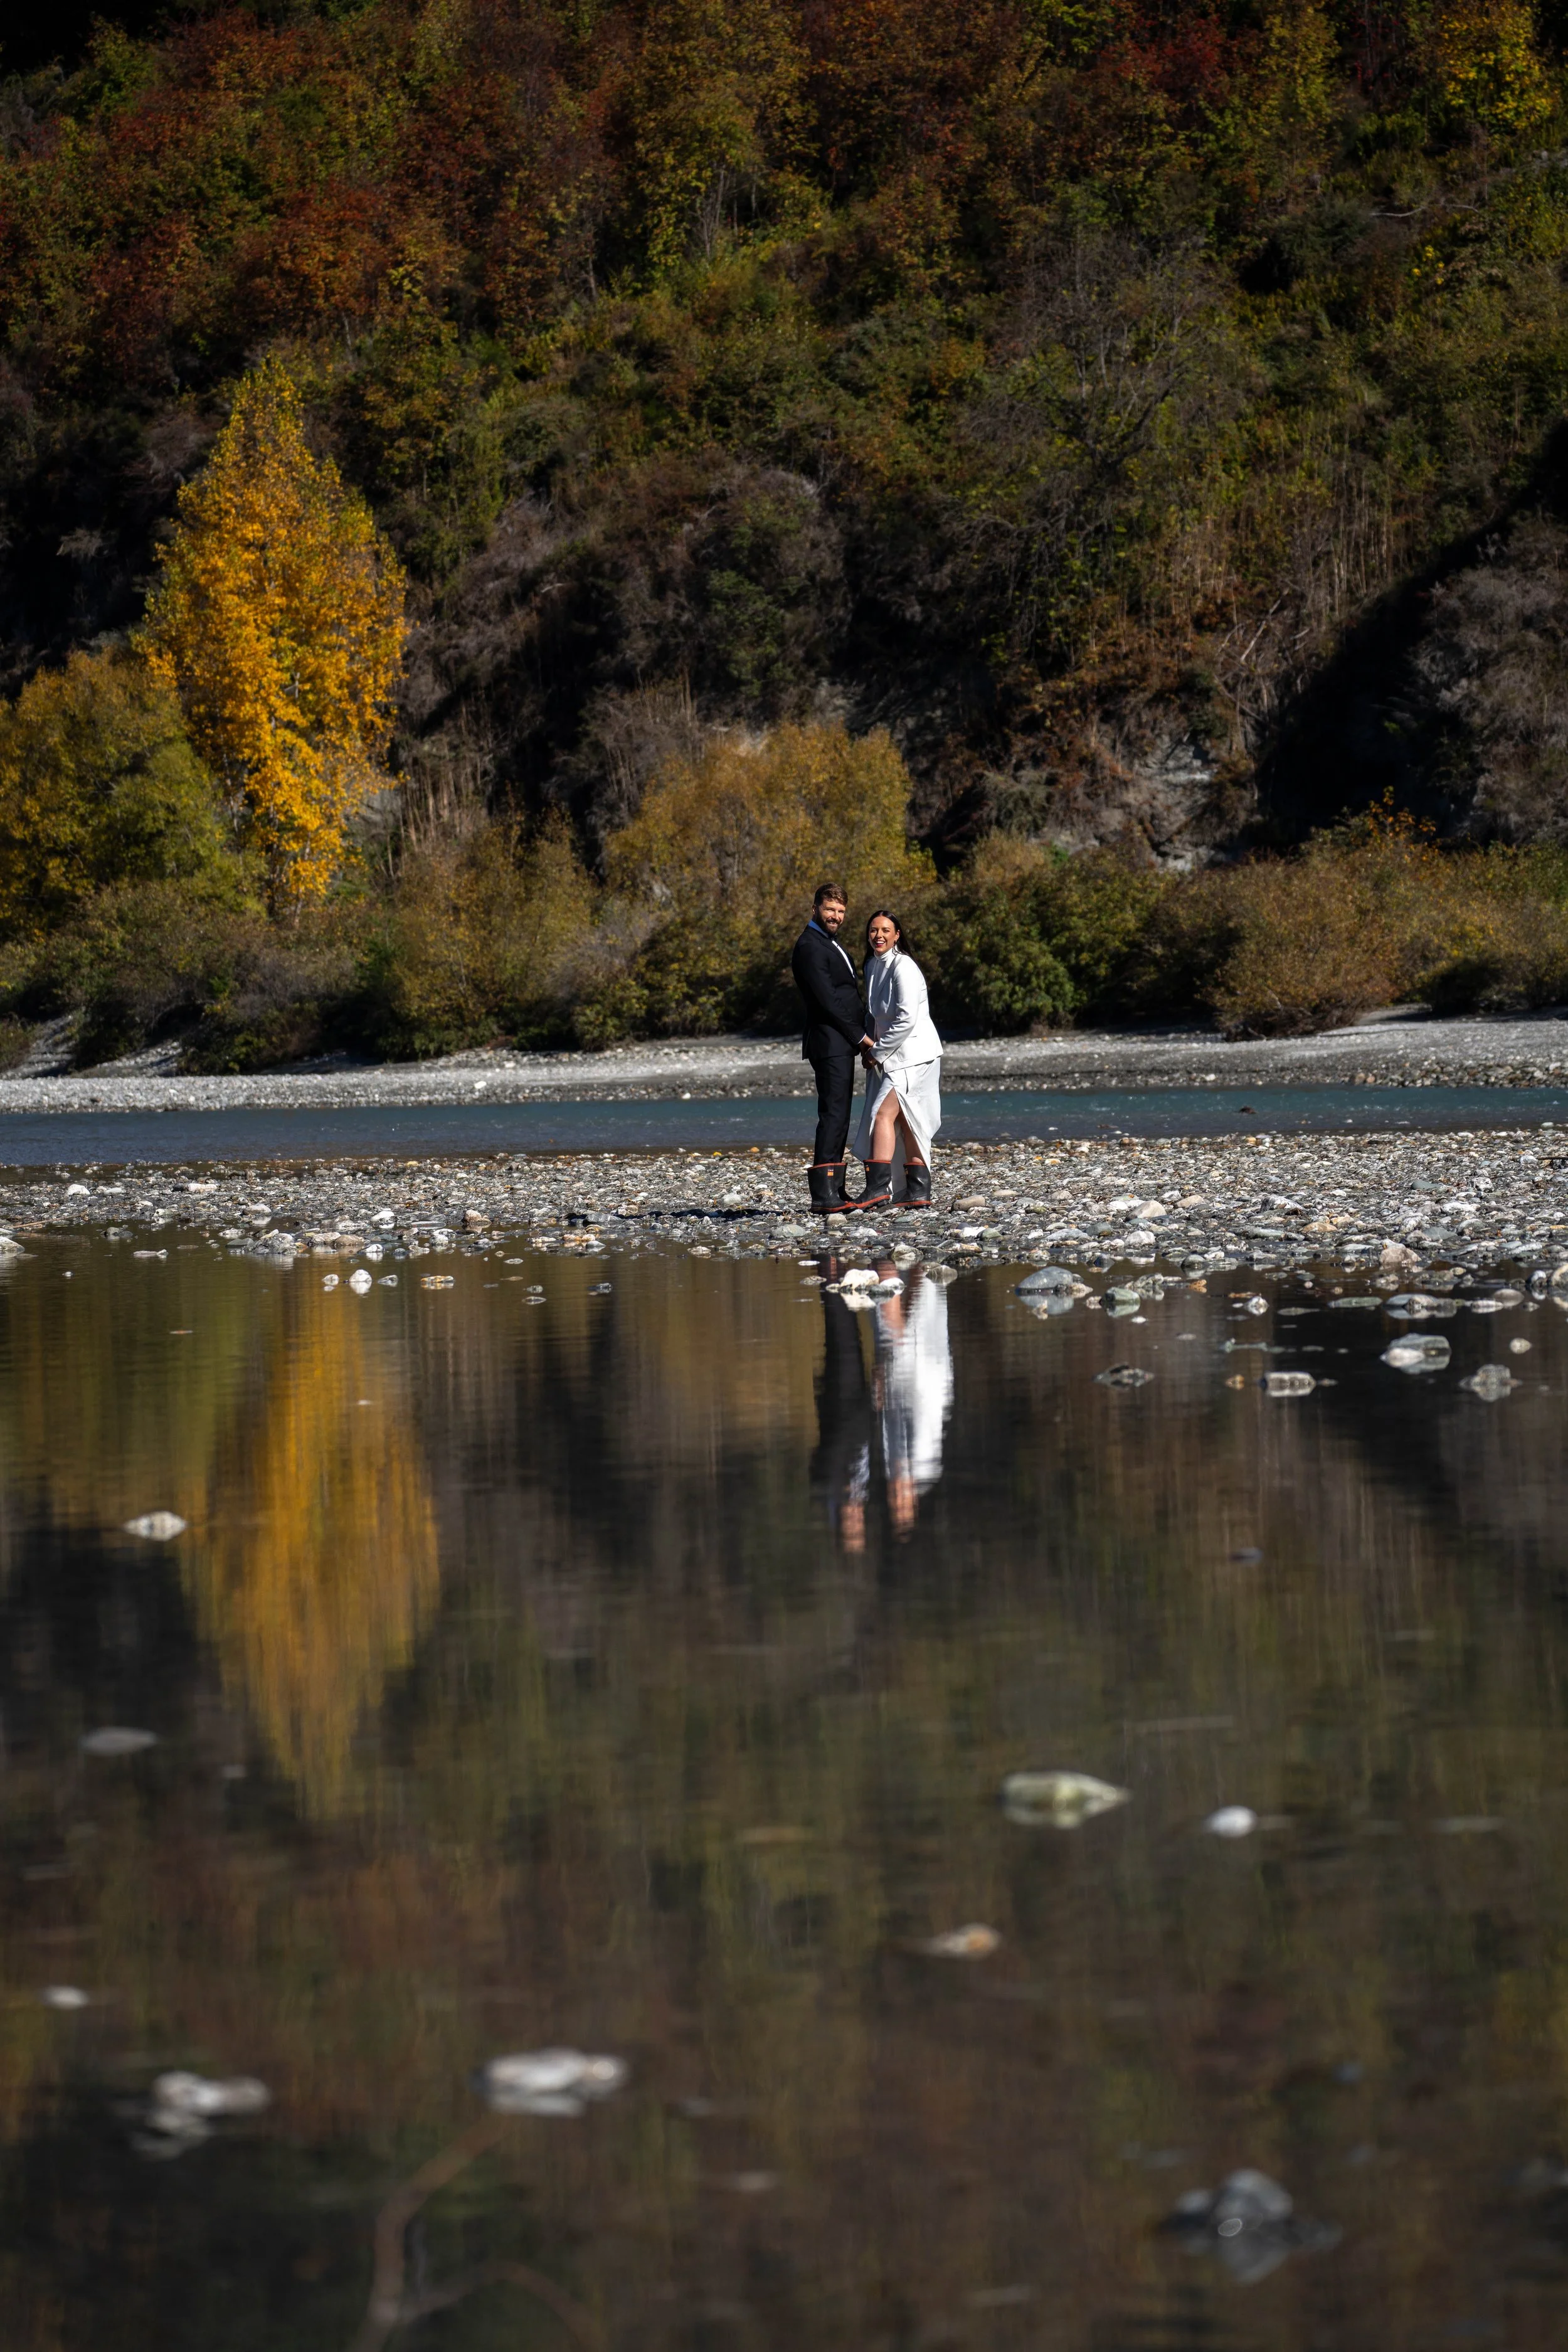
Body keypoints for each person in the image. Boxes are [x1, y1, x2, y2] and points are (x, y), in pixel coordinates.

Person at [791, 882, 876, 1214]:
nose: (836, 916)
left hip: (840, 1042)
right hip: (829, 1041)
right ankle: (823, 1195)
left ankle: (835, 1189)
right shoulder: (810, 946)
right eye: (830, 910)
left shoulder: (830, 943)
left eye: (841, 912)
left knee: (840, 1115)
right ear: (815, 910)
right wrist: (861, 1038)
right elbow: (828, 1001)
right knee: (833, 1114)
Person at [852, 909, 942, 1210]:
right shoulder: (872, 966)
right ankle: (916, 1192)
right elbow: (875, 1016)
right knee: (908, 1119)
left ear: (897, 935)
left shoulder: (904, 966)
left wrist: (875, 1053)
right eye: (874, 930)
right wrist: (865, 1043)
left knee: (881, 1115)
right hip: (895, 1056)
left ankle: (877, 1189)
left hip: (916, 1056)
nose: (879, 935)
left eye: (886, 930)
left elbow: (906, 1020)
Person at [871, 1262, 953, 1537]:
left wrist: (880, 1396)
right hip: (924, 1381)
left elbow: (889, 1424)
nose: (897, 1495)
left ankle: (889, 1258)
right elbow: (921, 1417)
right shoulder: (924, 1464)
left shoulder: (892, 1467)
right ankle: (902, 1257)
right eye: (902, 1501)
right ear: (912, 1500)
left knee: (894, 1335)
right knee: (922, 1302)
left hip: (911, 1384)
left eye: (895, 1501)